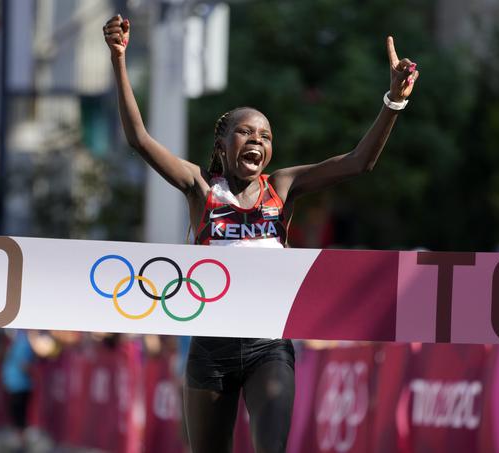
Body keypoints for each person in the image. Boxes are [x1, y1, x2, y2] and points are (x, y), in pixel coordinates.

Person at [103, 13, 418, 453]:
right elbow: (138, 139)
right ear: (222, 145)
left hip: (268, 347)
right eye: (245, 131)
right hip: (210, 350)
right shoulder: (200, 189)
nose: (257, 139)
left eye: (265, 135)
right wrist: (119, 59)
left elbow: (358, 162)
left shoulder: (283, 188)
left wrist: (393, 102)